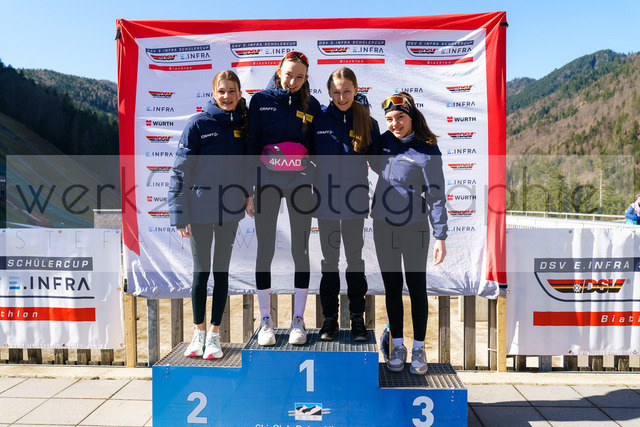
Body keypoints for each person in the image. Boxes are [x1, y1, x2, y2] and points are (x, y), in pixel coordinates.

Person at [168, 70, 250, 359]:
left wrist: (248, 194)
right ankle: (198, 333)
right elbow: (180, 171)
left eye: (232, 91)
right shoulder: (198, 124)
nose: (227, 96)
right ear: (213, 93)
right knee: (201, 272)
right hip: (200, 210)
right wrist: (179, 214)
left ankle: (214, 335)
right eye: (222, 91)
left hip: (230, 210)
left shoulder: (244, 125)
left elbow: (248, 166)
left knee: (221, 272)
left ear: (239, 93)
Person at [245, 51, 322, 346]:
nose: (293, 81)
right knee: (265, 249)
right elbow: (251, 145)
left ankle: (298, 320)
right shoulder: (260, 101)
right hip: (266, 183)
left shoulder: (312, 105)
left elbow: (316, 148)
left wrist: (313, 177)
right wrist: (249, 190)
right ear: (279, 71)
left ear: (306, 78)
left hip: (299, 183)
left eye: (299, 77)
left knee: (300, 249)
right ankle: (266, 320)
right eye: (289, 74)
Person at [370, 92, 448, 375]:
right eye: (389, 119)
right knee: (392, 288)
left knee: (416, 288)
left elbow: (436, 196)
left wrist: (440, 236)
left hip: (415, 227)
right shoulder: (382, 142)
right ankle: (398, 346)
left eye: (400, 117)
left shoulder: (427, 149)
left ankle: (418, 348)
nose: (395, 124)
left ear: (412, 116)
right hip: (383, 226)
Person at [313, 67, 380, 341]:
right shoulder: (318, 120)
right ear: (329, 92)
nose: (342, 98)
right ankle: (329, 320)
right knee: (330, 262)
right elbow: (306, 159)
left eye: (347, 92)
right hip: (326, 203)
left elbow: (380, 163)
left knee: (354, 261)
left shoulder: (367, 122)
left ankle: (357, 319)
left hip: (354, 204)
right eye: (337, 92)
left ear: (355, 90)